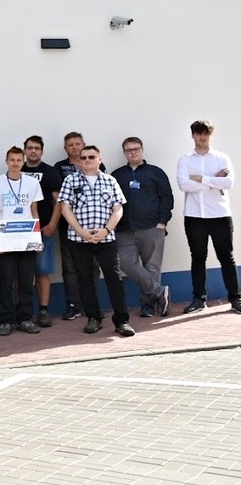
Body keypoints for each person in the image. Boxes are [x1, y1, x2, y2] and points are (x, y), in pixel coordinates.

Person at [59, 145, 134, 336]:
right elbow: (65, 208)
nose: (87, 160)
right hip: (78, 239)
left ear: (100, 159)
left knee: (114, 279)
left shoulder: (110, 181)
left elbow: (118, 209)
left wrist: (106, 230)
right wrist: (81, 232)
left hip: (106, 239)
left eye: (91, 157)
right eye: (83, 157)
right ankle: (94, 318)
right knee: (85, 280)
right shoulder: (70, 180)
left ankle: (122, 321)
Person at [176, 119, 239, 314]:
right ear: (193, 135)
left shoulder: (221, 158)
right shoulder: (185, 159)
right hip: (195, 217)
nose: (202, 137)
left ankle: (235, 298)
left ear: (210, 135)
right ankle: (199, 299)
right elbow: (183, 185)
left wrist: (201, 178)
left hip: (220, 215)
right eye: (198, 133)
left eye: (206, 133)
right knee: (198, 258)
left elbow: (228, 183)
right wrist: (213, 181)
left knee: (226, 257)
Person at [111, 137, 173, 318]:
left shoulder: (156, 172)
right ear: (124, 152)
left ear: (142, 149)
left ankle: (148, 306)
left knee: (152, 267)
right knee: (125, 263)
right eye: (129, 150)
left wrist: (162, 222)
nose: (133, 152)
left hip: (152, 227)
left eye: (136, 149)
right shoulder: (117, 175)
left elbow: (167, 197)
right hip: (124, 229)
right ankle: (159, 292)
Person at [0, 147, 43, 336]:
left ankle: (25, 318)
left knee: (26, 281)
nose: (15, 163)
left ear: (23, 161)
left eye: (19, 160)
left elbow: (34, 211)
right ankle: (5, 320)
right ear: (7, 161)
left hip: (27, 238)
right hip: (6, 239)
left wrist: (37, 238)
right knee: (6, 281)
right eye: (12, 160)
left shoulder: (32, 183)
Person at [53, 132, 99, 321]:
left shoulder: (96, 163)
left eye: (77, 144)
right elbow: (59, 198)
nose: (74, 147)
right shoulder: (59, 167)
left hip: (95, 227)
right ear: (65, 148)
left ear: (83, 144)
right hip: (68, 226)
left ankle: (92, 304)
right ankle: (73, 305)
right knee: (70, 267)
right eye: (70, 145)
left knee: (93, 266)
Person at [22, 136, 63, 327]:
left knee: (42, 270)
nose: (33, 151)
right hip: (20, 232)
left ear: (42, 151)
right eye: (30, 148)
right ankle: (22, 312)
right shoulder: (18, 170)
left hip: (44, 229)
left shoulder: (50, 172)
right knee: (21, 272)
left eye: (37, 148)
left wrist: (53, 224)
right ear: (24, 150)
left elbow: (58, 201)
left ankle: (44, 310)